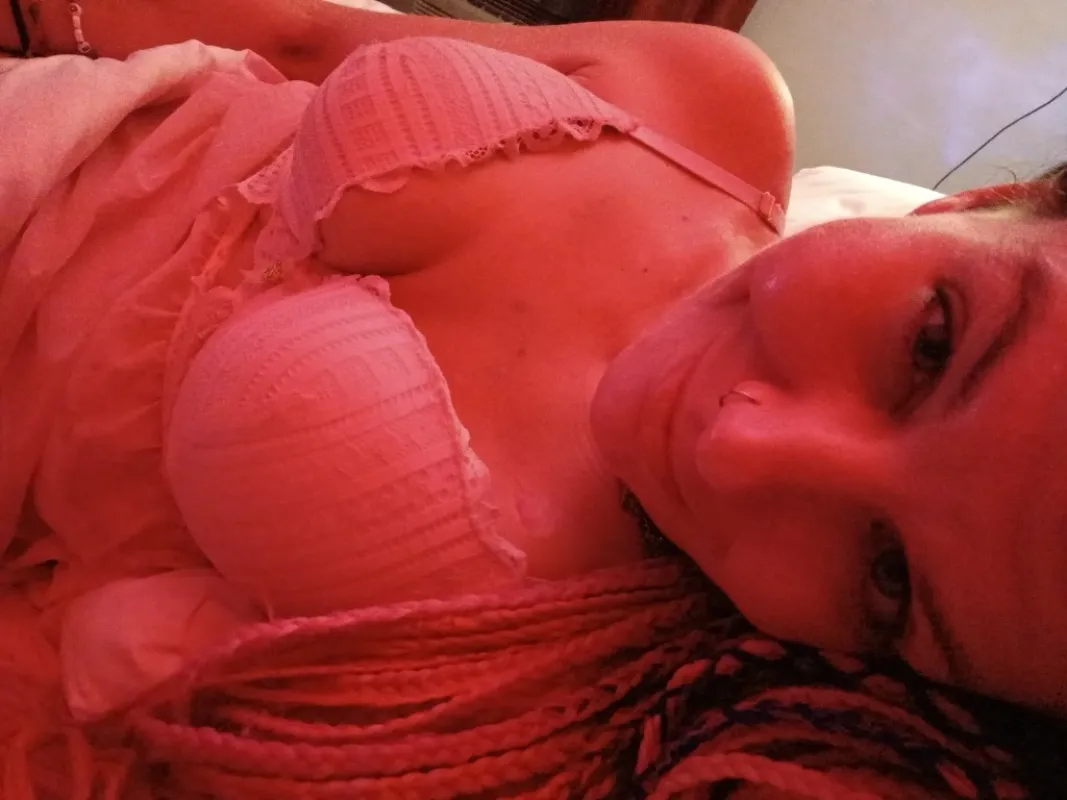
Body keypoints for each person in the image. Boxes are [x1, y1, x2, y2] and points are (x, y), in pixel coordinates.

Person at [1, 1, 1066, 797]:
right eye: (930, 343)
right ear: (982, 203)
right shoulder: (710, 100)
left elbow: (96, 663)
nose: (740, 449)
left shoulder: (514, 661)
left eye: (886, 575)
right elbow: (303, 39)